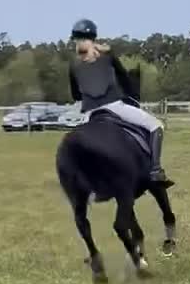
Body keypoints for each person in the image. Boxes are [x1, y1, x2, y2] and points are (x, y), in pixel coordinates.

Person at [68, 18, 167, 182]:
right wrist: (128, 93)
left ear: (75, 40)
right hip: (115, 106)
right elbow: (124, 80)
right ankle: (155, 170)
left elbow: (75, 95)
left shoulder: (74, 64)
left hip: (90, 114)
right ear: (94, 38)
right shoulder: (108, 56)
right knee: (156, 125)